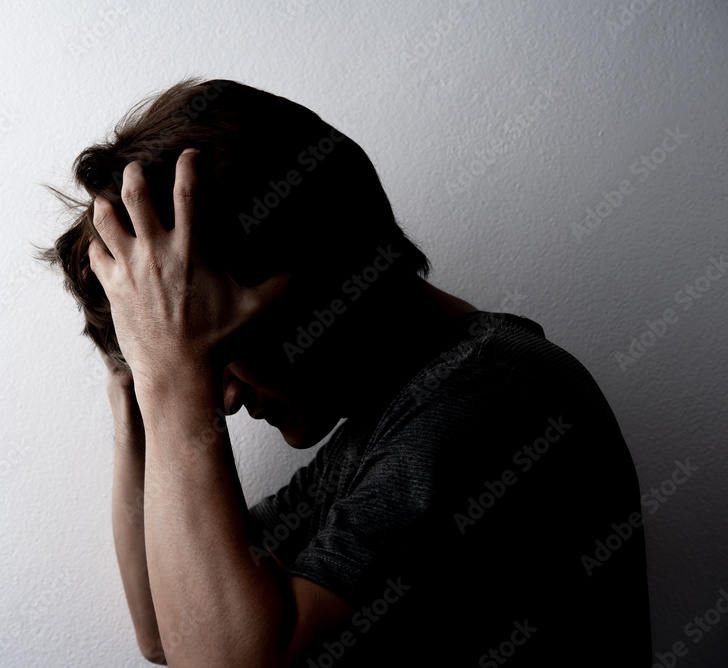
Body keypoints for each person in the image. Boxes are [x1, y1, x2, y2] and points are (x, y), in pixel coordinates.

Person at [41, 78, 652, 666]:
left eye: (218, 346)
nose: (221, 399)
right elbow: (167, 629)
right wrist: (142, 384)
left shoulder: (492, 399)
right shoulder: (391, 418)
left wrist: (175, 376)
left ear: (310, 281)